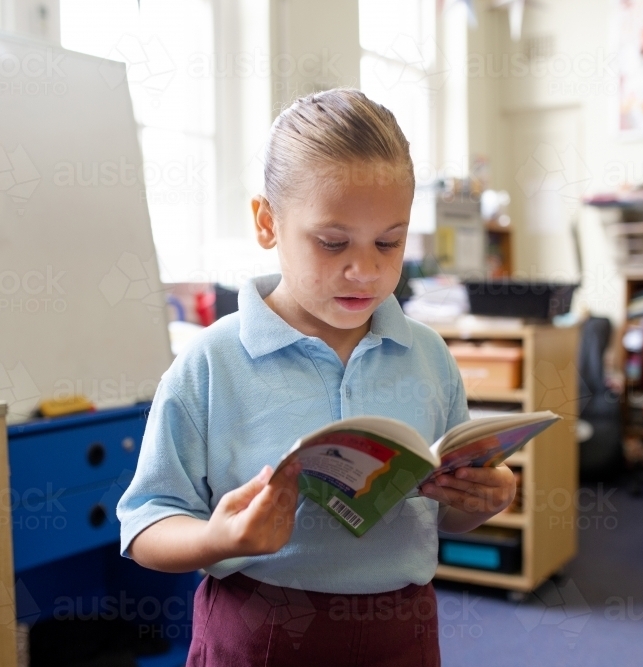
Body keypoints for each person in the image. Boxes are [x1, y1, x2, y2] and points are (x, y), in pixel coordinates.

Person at [117, 88, 518, 667]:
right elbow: (147, 523)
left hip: (399, 630)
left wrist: (483, 498)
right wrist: (218, 539)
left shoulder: (427, 353)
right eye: (332, 243)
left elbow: (444, 509)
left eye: (390, 242)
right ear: (267, 223)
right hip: (259, 631)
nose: (366, 270)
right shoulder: (211, 363)